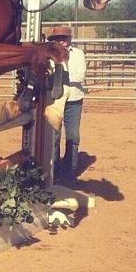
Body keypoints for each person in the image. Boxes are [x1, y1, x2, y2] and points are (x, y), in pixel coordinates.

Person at [49, 25, 87, 181]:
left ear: (69, 40)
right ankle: (55, 169)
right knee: (54, 136)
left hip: (73, 100)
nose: (61, 42)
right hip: (56, 100)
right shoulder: (50, 55)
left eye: (63, 38)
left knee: (72, 136)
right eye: (57, 39)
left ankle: (70, 170)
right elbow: (48, 75)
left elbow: (80, 76)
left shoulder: (78, 54)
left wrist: (60, 77)